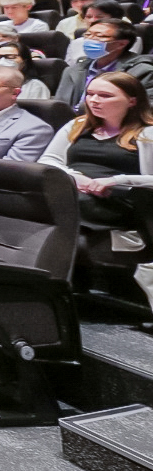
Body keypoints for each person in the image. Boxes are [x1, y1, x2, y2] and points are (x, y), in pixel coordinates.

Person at [38, 72, 153, 308]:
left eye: (105, 95)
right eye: (90, 94)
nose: (94, 100)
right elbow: (48, 160)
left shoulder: (147, 133)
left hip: (121, 201)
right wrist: (75, 177)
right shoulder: (77, 125)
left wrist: (117, 180)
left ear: (132, 100)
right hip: (76, 192)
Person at [56, 19, 153, 109]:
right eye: (88, 35)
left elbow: (145, 109)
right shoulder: (73, 70)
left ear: (121, 44)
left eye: (100, 36)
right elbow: (60, 108)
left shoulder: (143, 71)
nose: (90, 40)